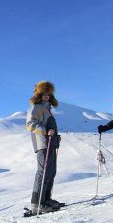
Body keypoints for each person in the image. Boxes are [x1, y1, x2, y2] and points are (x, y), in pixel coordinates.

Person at [26, 81, 64, 214]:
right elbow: (30, 124)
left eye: (48, 94)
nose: (46, 96)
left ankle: (46, 199)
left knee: (51, 171)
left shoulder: (47, 109)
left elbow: (50, 126)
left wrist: (55, 137)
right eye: (44, 94)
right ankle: (37, 203)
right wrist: (45, 132)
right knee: (43, 172)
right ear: (39, 94)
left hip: (50, 143)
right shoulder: (36, 108)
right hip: (42, 144)